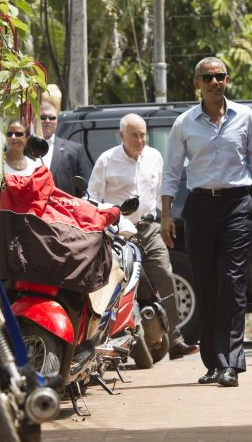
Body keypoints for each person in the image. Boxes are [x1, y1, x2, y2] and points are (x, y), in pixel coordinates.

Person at [161, 57, 252, 387]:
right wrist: (167, 215)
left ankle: (231, 363)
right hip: (200, 208)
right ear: (197, 83)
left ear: (227, 80)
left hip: (238, 205)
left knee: (233, 282)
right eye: (208, 77)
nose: (215, 82)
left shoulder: (245, 117)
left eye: (220, 76)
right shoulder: (184, 123)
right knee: (207, 284)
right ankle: (213, 362)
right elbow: (170, 173)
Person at [88, 113, 200, 360]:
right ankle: (109, 342)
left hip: (150, 229)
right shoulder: (107, 160)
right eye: (134, 136)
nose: (140, 140)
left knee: (166, 277)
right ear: (121, 136)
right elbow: (93, 198)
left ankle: (175, 341)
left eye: (143, 135)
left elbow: (164, 191)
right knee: (118, 286)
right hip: (118, 233)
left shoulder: (154, 157)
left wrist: (166, 219)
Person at [39, 99, 92, 196]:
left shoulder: (75, 150)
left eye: (52, 117)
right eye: (42, 117)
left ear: (57, 120)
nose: (47, 121)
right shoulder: (24, 148)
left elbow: (85, 189)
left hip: (62, 209)